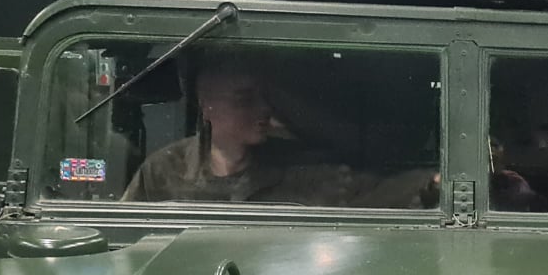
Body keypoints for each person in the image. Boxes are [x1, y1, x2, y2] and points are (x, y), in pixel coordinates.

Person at [123, 57, 432, 207]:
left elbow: (372, 192)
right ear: (207, 105)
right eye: (245, 99)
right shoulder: (163, 172)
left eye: (264, 97)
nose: (263, 109)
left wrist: (428, 183)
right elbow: (123, 236)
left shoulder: (299, 166)